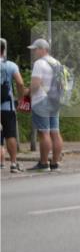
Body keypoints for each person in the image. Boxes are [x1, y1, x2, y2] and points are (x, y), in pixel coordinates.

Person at [27, 38, 63, 172]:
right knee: (55, 132)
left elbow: (36, 84)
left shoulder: (39, 64)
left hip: (41, 100)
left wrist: (28, 92)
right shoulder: (57, 63)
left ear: (43, 49)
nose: (34, 52)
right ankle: (54, 163)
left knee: (44, 133)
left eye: (36, 49)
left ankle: (43, 163)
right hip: (55, 100)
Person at [1, 38, 26, 172]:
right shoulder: (11, 65)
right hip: (7, 106)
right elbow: (20, 83)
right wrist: (20, 99)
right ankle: (13, 163)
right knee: (10, 135)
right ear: (4, 50)